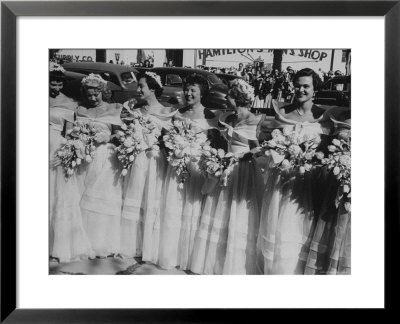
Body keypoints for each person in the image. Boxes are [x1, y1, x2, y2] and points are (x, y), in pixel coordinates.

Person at [257, 68, 332, 274]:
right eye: (298, 85)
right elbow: (269, 143)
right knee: (279, 221)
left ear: (314, 89)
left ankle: (297, 269)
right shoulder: (283, 113)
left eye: (306, 86)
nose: (301, 89)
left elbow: (324, 151)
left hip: (307, 180)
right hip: (282, 178)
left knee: (300, 223)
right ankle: (278, 269)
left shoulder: (322, 117)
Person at [190, 79, 263, 274]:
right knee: (221, 210)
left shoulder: (254, 120)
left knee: (238, 211)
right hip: (225, 167)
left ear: (238, 97)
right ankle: (217, 259)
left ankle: (237, 264)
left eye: (229, 95)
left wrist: (241, 156)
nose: (226, 99)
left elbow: (258, 150)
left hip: (242, 170)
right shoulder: (227, 118)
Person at [158, 73, 224, 270]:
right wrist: (172, 149)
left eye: (192, 90)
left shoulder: (211, 117)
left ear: (202, 93)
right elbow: (167, 138)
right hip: (177, 164)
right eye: (186, 89)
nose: (188, 93)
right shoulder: (179, 113)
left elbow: (215, 143)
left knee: (193, 208)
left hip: (197, 167)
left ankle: (189, 255)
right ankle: (171, 254)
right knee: (174, 205)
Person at [120, 71, 175, 262]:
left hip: (155, 160)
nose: (138, 89)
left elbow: (171, 139)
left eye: (141, 86)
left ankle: (148, 245)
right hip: (137, 159)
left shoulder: (167, 112)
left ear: (152, 88)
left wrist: (160, 145)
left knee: (151, 198)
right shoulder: (137, 109)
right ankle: (131, 244)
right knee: (135, 196)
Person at [49, 62, 94, 263]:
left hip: (55, 148)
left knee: (58, 191)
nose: (55, 87)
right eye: (52, 83)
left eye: (59, 83)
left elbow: (70, 133)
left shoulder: (69, 103)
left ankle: (58, 244)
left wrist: (65, 153)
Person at [75, 74, 123, 258]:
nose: (93, 99)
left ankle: (100, 242)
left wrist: (108, 137)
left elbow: (119, 136)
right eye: (89, 96)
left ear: (103, 92)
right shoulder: (80, 109)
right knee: (81, 196)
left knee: (100, 198)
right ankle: (82, 240)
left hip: (104, 159)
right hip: (83, 157)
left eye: (96, 95)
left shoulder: (114, 109)